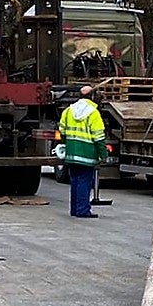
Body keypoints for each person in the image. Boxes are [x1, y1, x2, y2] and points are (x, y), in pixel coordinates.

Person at [58, 86, 108, 218]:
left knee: (74, 181)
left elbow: (62, 131)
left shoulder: (69, 110)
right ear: (92, 97)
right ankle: (82, 210)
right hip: (87, 154)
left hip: (71, 153)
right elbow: (98, 137)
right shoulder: (93, 113)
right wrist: (103, 154)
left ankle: (74, 209)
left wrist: (66, 145)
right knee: (84, 182)